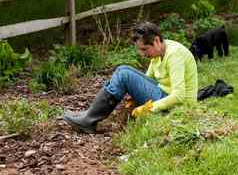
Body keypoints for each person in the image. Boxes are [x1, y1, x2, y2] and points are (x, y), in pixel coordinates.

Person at [63, 22, 198, 134]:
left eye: (144, 49)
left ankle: (89, 120)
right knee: (123, 71)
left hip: (178, 106)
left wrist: (149, 108)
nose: (142, 54)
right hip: (163, 95)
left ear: (156, 40)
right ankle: (90, 114)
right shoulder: (158, 54)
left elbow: (179, 95)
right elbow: (146, 79)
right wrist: (134, 93)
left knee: (124, 73)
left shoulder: (174, 54)